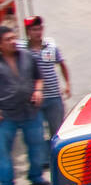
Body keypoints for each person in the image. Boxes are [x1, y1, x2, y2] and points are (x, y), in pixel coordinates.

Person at [0, 24, 46, 185]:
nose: (13, 42)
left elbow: (38, 78)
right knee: (4, 152)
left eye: (13, 38)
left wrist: (38, 90)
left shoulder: (27, 56)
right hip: (6, 115)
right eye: (8, 40)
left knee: (36, 146)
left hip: (30, 111)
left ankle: (36, 176)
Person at [18, 16, 70, 161]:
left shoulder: (50, 46)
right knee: (37, 132)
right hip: (34, 99)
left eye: (40, 28)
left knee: (57, 130)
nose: (38, 32)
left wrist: (67, 84)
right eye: (34, 29)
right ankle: (44, 160)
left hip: (53, 96)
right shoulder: (20, 49)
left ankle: (58, 158)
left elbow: (61, 64)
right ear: (28, 31)